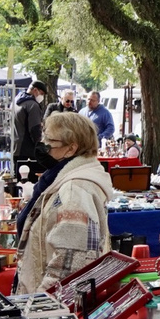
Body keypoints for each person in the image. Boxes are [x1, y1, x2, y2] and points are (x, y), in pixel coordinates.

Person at [15, 112, 113, 294]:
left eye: (49, 140)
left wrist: (39, 302)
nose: (43, 144)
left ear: (71, 149)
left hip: (50, 310)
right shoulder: (60, 180)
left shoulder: (74, 189)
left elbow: (71, 263)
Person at [13, 81, 48, 165]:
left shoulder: (16, 101)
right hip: (28, 149)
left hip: (15, 146)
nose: (42, 97)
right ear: (35, 90)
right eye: (41, 93)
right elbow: (35, 129)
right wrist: (41, 146)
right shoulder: (33, 105)